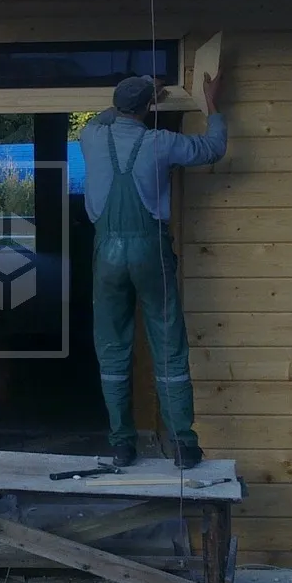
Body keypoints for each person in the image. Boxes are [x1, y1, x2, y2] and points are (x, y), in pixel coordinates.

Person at [79, 71, 226, 469]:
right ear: (149, 107)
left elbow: (107, 116)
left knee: (112, 349)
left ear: (117, 105)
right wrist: (212, 103)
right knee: (168, 346)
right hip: (151, 254)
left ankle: (122, 445)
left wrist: (141, 90)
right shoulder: (160, 142)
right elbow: (213, 148)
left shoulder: (91, 137)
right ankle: (183, 445)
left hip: (107, 254)